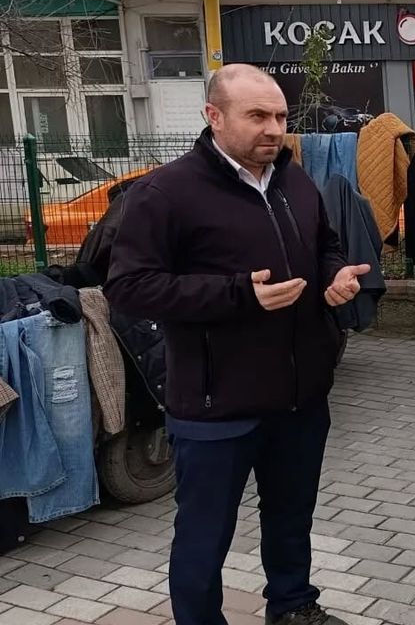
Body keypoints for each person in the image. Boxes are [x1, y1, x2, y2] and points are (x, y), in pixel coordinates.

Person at [105, 64, 370, 625]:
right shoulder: (165, 193)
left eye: (279, 115)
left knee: (291, 518)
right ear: (214, 116)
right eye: (257, 116)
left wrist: (333, 277)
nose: (273, 128)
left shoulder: (295, 181)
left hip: (300, 398)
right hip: (214, 406)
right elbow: (128, 287)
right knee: (204, 537)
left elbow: (326, 243)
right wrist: (236, 294)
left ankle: (293, 607)